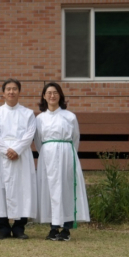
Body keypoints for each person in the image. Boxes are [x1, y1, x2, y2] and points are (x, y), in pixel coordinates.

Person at [35, 82, 89, 241]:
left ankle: (66, 228)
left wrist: (67, 153)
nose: (52, 96)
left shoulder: (69, 116)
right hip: (47, 156)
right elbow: (38, 141)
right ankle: (53, 227)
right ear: (44, 96)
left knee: (66, 188)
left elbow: (75, 138)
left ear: (60, 95)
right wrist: (48, 152)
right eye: (49, 93)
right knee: (50, 190)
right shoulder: (40, 118)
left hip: (66, 155)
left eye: (55, 92)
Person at [0, 79, 37, 240]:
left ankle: (19, 227)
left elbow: (30, 134)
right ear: (3, 93)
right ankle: (3, 227)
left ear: (19, 92)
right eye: (8, 89)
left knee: (22, 189)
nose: (11, 92)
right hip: (1, 155)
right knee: (0, 189)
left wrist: (16, 149)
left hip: (21, 156)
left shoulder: (28, 113)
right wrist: (5, 150)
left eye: (14, 89)